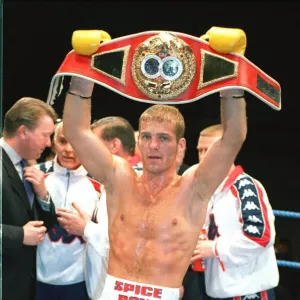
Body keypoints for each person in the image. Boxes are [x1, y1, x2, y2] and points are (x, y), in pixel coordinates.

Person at [62, 76, 247, 299]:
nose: (153, 146)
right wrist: (82, 74)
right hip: (112, 292)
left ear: (180, 145)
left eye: (163, 138)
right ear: (138, 141)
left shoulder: (192, 189)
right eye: (147, 136)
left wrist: (232, 79)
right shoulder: (119, 178)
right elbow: (75, 131)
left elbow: (232, 137)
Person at [191, 124, 279, 299]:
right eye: (200, 150)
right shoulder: (209, 191)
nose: (202, 157)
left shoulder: (246, 187)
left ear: (228, 151)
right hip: (217, 291)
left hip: (248, 292)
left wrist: (215, 247)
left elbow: (260, 236)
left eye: (208, 150)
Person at [57, 116, 140, 300]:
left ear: (114, 145)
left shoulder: (133, 185)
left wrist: (85, 228)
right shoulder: (111, 181)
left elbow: (125, 248)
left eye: (92, 143)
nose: (85, 151)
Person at [34, 121, 101, 300]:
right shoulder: (35, 175)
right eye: (63, 141)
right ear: (53, 141)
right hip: (37, 278)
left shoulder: (100, 184)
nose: (69, 149)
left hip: (80, 281)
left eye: (76, 142)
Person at [1, 97, 57, 300]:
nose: (49, 143)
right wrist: (19, 235)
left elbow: (45, 225)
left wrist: (43, 194)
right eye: (45, 135)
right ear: (23, 131)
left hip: (23, 283)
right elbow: (25, 233)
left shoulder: (27, 166)